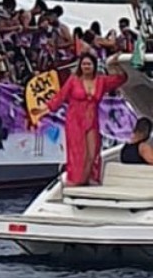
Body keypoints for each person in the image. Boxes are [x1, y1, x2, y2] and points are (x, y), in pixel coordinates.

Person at [35, 53, 128, 187]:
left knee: (93, 151)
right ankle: (77, 180)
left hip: (92, 119)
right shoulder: (73, 80)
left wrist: (114, 64)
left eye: (89, 64)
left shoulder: (101, 81)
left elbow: (121, 78)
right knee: (78, 151)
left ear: (94, 66)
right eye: (84, 64)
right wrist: (44, 110)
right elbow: (60, 96)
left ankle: (88, 178)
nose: (86, 66)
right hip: (75, 120)